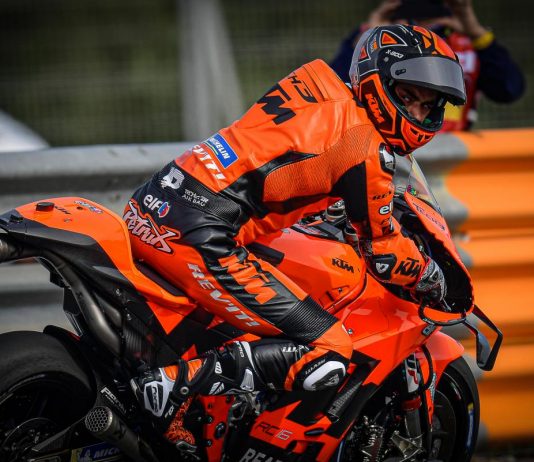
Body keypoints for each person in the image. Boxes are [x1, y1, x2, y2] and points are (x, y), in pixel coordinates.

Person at [125, 24, 465, 448]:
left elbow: (287, 156)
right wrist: (429, 274)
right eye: (407, 96)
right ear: (377, 83)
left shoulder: (314, 84)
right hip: (202, 234)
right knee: (330, 347)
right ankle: (171, 387)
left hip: (155, 202)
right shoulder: (365, 148)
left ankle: (182, 408)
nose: (415, 113)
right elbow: (383, 253)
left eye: (428, 106)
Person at [330, 0, 525, 131]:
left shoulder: (469, 39)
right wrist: (369, 36)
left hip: (450, 154)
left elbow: (509, 89)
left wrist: (475, 32)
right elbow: (335, 92)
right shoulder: (382, 36)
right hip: (391, 146)